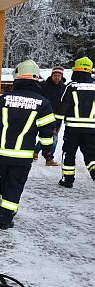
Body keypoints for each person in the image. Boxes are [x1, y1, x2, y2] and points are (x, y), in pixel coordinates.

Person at [0, 59, 56, 229]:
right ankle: (5, 217)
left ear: (17, 78)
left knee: (6, 182)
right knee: (15, 186)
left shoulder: (3, 99)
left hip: (2, 154)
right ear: (36, 79)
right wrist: (47, 151)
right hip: (22, 156)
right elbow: (47, 133)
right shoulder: (43, 103)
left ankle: (6, 209)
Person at [54, 56, 95, 188]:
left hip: (73, 129)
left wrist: (55, 126)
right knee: (91, 155)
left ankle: (68, 180)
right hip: (91, 129)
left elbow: (62, 107)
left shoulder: (71, 86)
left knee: (68, 153)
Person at [33, 66, 66, 166]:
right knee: (51, 138)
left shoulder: (64, 88)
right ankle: (49, 159)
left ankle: (36, 151)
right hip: (44, 115)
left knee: (52, 137)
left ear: (62, 76)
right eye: (55, 75)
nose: (57, 77)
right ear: (51, 75)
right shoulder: (43, 85)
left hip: (57, 117)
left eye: (59, 76)